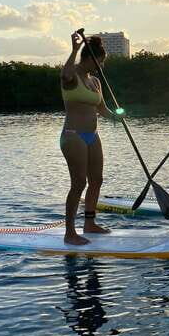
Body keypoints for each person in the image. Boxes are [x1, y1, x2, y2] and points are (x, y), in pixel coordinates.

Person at [60, 32, 123, 245]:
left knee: (97, 180)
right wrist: (75, 49)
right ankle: (70, 233)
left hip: (92, 135)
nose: (100, 67)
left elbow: (102, 109)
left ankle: (89, 223)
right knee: (78, 183)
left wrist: (117, 117)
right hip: (73, 135)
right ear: (89, 59)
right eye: (99, 62)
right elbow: (64, 74)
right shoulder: (71, 76)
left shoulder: (95, 81)